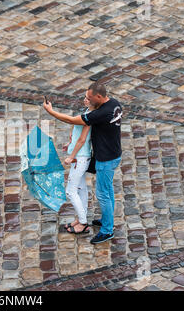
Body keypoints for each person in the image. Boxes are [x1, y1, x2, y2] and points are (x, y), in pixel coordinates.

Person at [43, 81, 122, 244]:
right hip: (114, 154)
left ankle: (107, 230)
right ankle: (108, 220)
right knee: (108, 191)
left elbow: (72, 120)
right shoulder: (114, 104)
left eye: (89, 97)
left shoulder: (100, 114)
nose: (86, 99)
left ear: (98, 97)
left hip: (106, 159)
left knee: (103, 194)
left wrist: (51, 111)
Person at [62, 97, 95, 234]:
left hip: (80, 158)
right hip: (81, 156)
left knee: (70, 191)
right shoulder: (87, 112)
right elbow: (77, 136)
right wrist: (69, 145)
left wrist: (71, 156)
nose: (84, 100)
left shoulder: (89, 117)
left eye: (88, 98)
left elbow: (82, 139)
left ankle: (83, 222)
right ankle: (81, 219)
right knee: (81, 188)